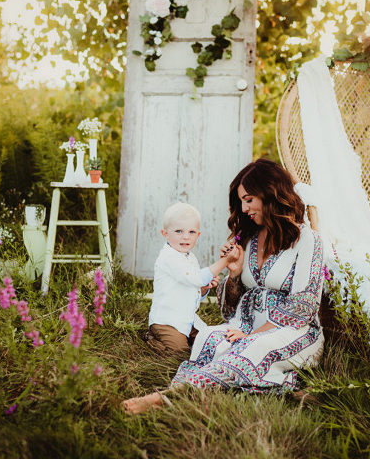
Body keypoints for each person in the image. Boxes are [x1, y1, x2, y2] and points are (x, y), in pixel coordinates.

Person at [123, 159, 324, 414]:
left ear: (270, 192)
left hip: (293, 331)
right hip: (244, 326)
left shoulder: (307, 239)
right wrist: (236, 273)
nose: (244, 207)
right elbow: (228, 310)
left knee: (251, 348)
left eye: (249, 199)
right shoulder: (248, 238)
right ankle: (282, 388)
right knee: (210, 338)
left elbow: (303, 305)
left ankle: (169, 396)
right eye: (241, 201)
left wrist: (254, 334)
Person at [146, 202, 229, 355]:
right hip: (166, 322)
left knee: (206, 343)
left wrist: (203, 289)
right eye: (178, 231)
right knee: (179, 352)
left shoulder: (190, 257)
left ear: (198, 235)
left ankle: (190, 339)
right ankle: (153, 339)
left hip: (186, 318)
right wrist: (225, 261)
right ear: (165, 233)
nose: (185, 236)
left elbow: (192, 287)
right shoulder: (169, 257)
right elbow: (196, 278)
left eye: (191, 232)